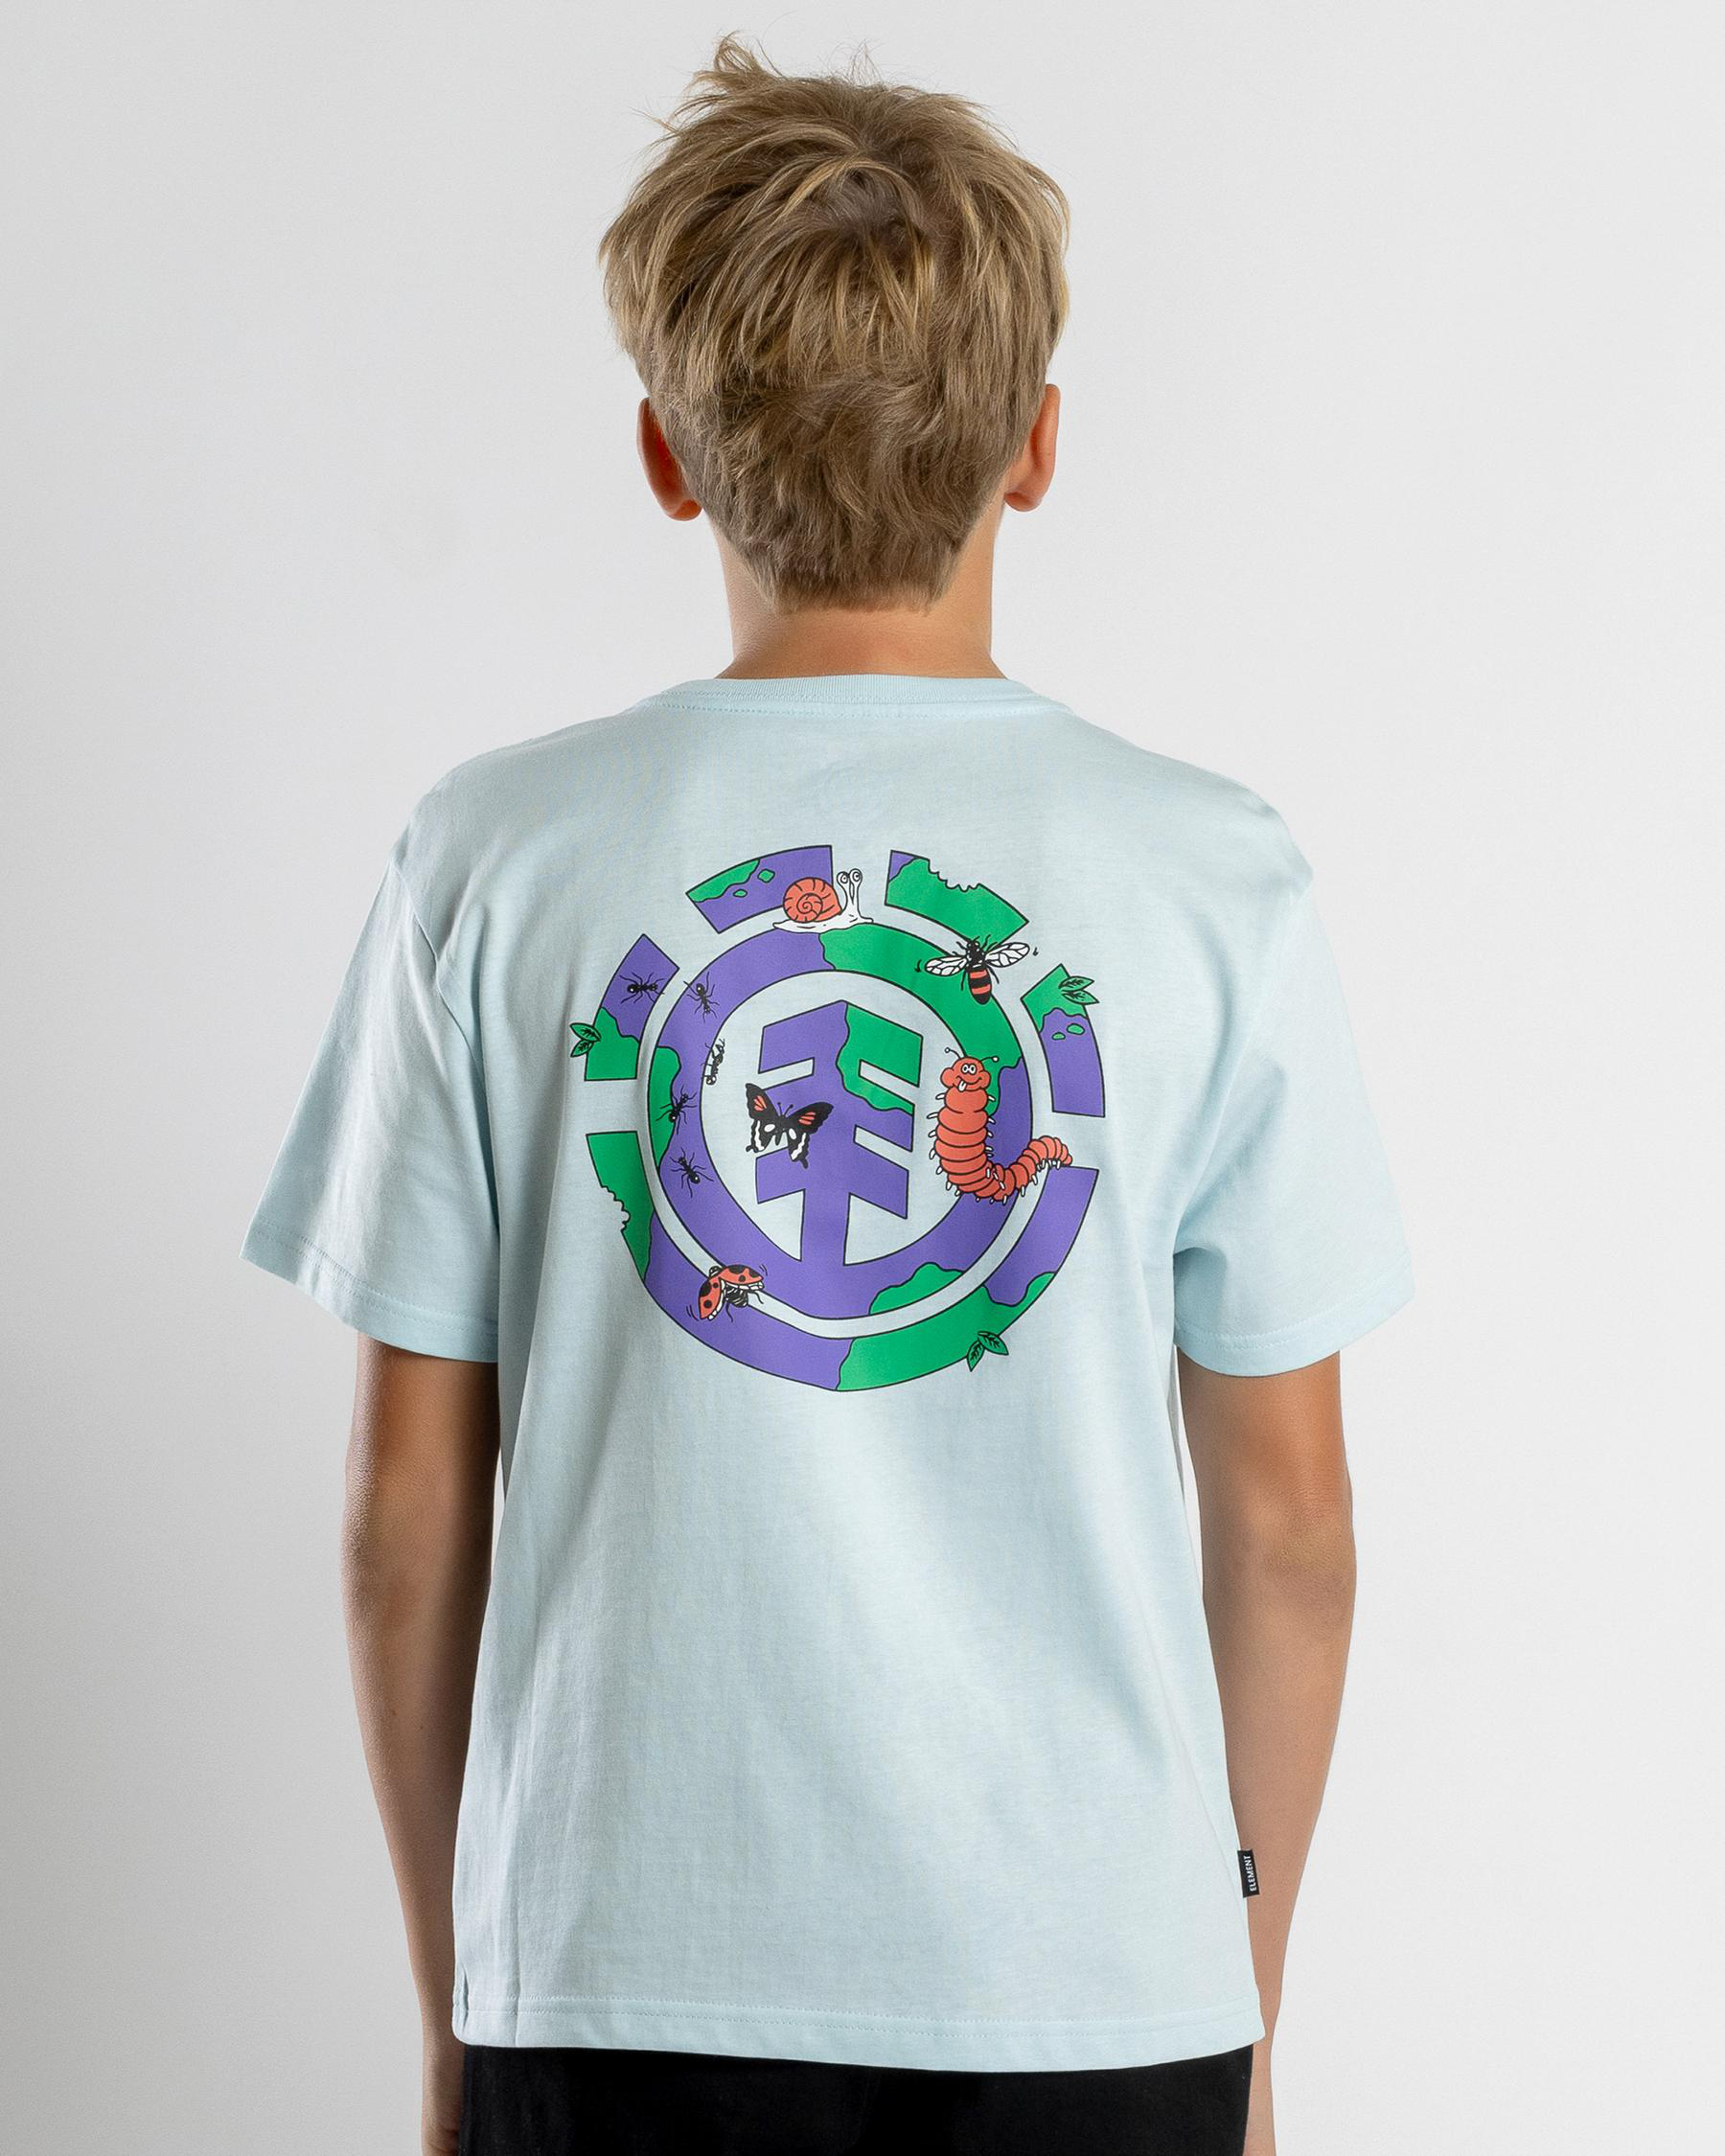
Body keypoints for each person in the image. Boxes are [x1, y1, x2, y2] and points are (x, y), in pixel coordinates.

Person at [243, 38, 1411, 2156]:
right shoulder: (1209, 877)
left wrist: (460, 2010)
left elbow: (408, 1515)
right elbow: (1291, 1529)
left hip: (616, 1979)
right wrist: (1235, 1988)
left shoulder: (495, 861)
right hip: (1098, 1989)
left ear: (665, 453)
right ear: (1036, 444)